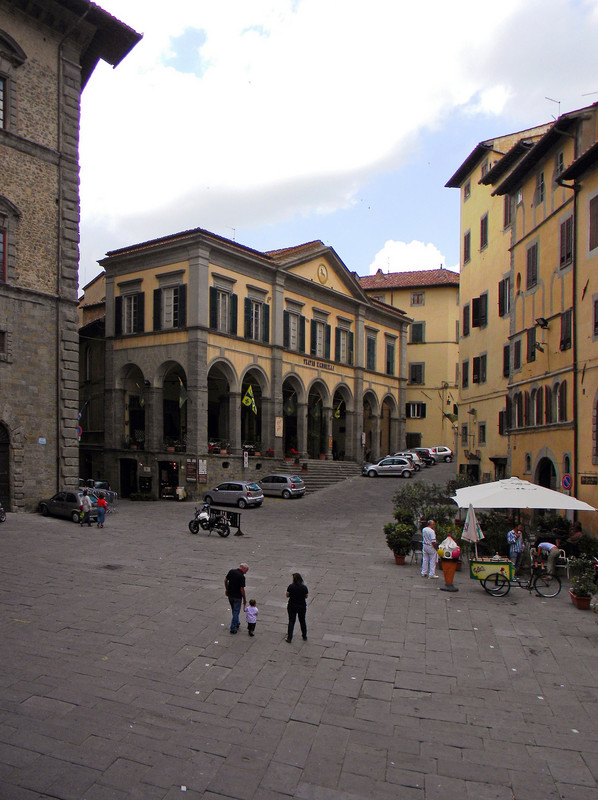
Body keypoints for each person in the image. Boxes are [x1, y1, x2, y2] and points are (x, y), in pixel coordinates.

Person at [224, 562, 248, 634]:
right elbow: (242, 589)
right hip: (237, 596)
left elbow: (225, 580)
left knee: (234, 610)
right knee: (236, 611)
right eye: (246, 570)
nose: (246, 572)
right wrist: (244, 599)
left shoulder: (231, 571)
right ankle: (233, 627)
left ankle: (237, 622)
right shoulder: (242, 577)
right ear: (244, 568)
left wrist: (227, 589)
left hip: (230, 595)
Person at [286, 572, 308, 642]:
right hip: (301, 606)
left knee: (291, 621)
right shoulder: (304, 587)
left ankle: (289, 638)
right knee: (302, 620)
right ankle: (304, 636)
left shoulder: (291, 586)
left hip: (292, 605)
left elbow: (287, 595)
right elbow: (306, 596)